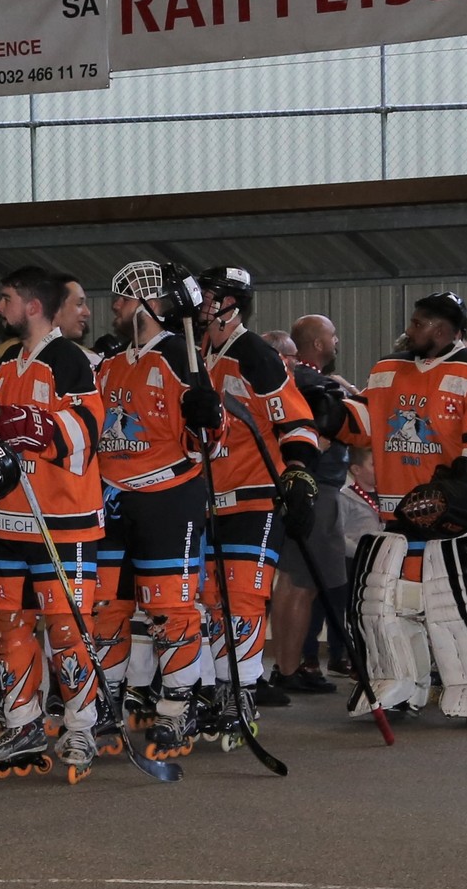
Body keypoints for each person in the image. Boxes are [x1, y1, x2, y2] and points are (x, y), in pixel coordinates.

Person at [312, 292, 467, 722]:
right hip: (396, 519)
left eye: (418, 323)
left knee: (455, 609)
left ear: (441, 329)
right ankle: (398, 684)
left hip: (453, 523)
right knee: (385, 605)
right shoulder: (388, 369)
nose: (409, 330)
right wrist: (328, 411)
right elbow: (365, 422)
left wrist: (448, 500)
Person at [0, 266, 107, 779]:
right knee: (8, 625)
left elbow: (88, 427)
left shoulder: (69, 359)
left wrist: (35, 425)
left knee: (68, 629)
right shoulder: (5, 362)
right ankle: (22, 725)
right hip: (11, 522)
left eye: (5, 298)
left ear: (32, 306)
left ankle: (82, 726)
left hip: (63, 522)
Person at [89, 262, 220, 760]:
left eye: (124, 299)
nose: (116, 307)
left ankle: (177, 708)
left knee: (170, 608)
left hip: (167, 496)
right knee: (107, 606)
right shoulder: (111, 364)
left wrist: (207, 417)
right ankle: (106, 703)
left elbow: (209, 439)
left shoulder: (179, 356)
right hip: (112, 499)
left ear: (149, 305)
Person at [194, 266, 319, 736]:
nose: (202, 301)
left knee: (243, 596)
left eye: (211, 295)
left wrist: (299, 470)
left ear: (231, 303)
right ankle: (213, 687)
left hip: (252, 495)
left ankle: (242, 691)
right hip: (206, 499)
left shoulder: (255, 354)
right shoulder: (196, 351)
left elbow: (296, 420)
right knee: (210, 599)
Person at [267, 315, 345, 696]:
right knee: (303, 585)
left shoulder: (293, 384)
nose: (336, 342)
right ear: (316, 344)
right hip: (316, 490)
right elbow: (322, 437)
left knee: (289, 582)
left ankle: (285, 665)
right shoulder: (317, 387)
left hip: (293, 491)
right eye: (332, 336)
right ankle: (288, 667)